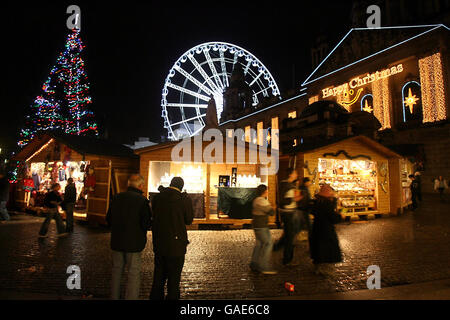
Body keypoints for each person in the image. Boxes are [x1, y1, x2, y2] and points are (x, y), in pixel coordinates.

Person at [106, 174, 152, 300]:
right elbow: (146, 223)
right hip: (134, 242)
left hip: (117, 240)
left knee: (116, 271)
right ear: (141, 185)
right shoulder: (142, 201)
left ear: (128, 184)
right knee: (133, 273)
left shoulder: (116, 198)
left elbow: (108, 219)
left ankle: (114, 297)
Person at [150, 177, 194, 300]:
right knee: (174, 280)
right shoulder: (183, 200)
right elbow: (189, 220)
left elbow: (154, 214)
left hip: (160, 242)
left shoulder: (158, 198)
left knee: (158, 277)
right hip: (177, 244)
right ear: (181, 187)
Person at [310, 184, 342, 276]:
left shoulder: (317, 202)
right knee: (328, 249)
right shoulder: (327, 204)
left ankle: (317, 267)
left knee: (318, 249)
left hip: (316, 228)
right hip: (326, 230)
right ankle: (326, 269)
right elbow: (333, 217)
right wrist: (340, 216)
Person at [273, 168, 303, 266]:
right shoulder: (286, 186)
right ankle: (287, 260)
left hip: (289, 212)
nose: (296, 174)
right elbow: (283, 200)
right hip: (288, 213)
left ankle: (277, 247)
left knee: (289, 233)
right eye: (295, 173)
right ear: (290, 174)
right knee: (290, 236)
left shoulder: (289, 185)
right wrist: (294, 199)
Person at [250, 184, 277, 275]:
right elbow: (271, 212)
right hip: (262, 225)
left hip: (256, 224)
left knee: (259, 244)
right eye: (267, 191)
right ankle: (263, 266)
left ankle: (254, 263)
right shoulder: (263, 201)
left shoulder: (255, 200)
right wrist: (273, 207)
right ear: (264, 192)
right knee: (268, 243)